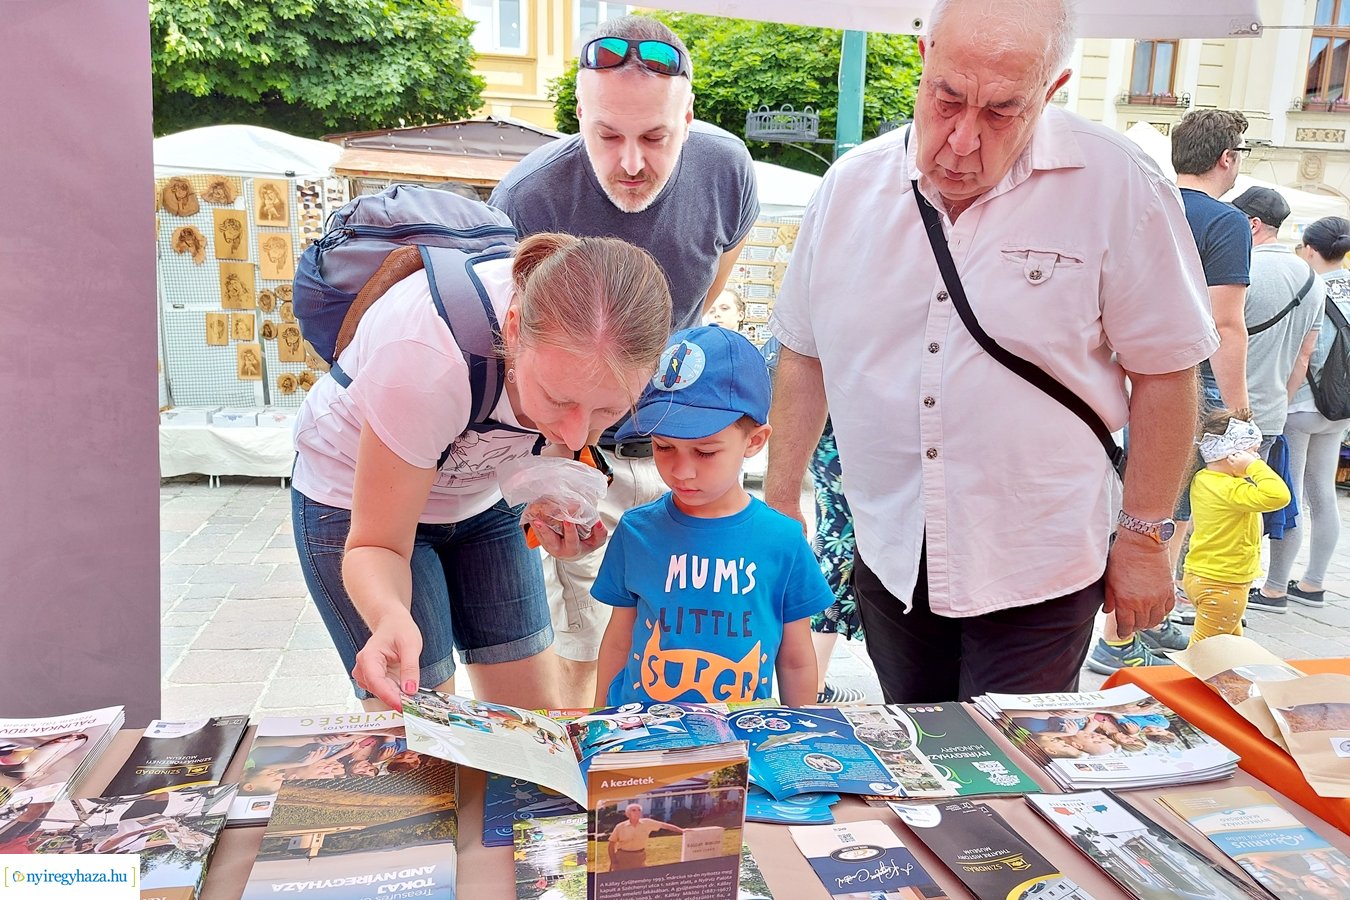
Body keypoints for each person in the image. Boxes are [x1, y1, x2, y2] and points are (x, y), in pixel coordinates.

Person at [764, 0, 1217, 703]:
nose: (962, 140)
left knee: (1016, 777)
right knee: (917, 754)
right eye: (946, 100)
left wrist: (1143, 537)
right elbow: (803, 352)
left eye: (1002, 112)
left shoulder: (1118, 185)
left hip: (1039, 561)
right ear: (924, 63)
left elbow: (1166, 371)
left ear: (1052, 90)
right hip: (890, 552)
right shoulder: (850, 187)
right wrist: (781, 498)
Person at [490, 14, 759, 707]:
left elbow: (699, 299)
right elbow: (519, 358)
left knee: (687, 645)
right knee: (584, 647)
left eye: (655, 137)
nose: (631, 163)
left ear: (689, 117)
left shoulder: (727, 170)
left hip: (678, 453)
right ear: (578, 114)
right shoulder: (527, 198)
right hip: (583, 452)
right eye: (608, 136)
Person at [291, 231, 672, 711]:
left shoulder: (571, 358)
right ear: (513, 329)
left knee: (533, 725)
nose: (577, 436)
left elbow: (555, 445)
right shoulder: (426, 357)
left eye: (607, 411)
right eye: (559, 400)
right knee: (421, 724)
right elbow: (376, 545)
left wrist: (549, 496)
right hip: (354, 496)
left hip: (477, 496)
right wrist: (388, 615)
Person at [1092, 107, 1254, 672]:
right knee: (1168, 507)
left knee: (1132, 497)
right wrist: (1235, 409)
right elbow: (1225, 322)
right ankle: (1120, 634)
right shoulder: (1226, 222)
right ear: (1226, 158)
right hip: (1189, 379)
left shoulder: (1143, 201)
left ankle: (1133, 622)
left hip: (1121, 373)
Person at [592, 326, 831, 707]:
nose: (682, 471)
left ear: (754, 441)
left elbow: (797, 659)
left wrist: (795, 734)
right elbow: (619, 639)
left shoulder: (783, 541)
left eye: (705, 452)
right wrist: (602, 721)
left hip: (738, 738)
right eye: (663, 446)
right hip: (642, 736)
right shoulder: (635, 531)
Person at [1255, 216, 1350, 612]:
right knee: (1322, 493)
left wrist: (1284, 398)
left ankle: (1275, 587)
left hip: (1301, 405)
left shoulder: (1314, 286)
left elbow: (1306, 354)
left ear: (1310, 249)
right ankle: (1313, 583)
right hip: (1340, 409)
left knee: (1287, 494)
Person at [1182, 411, 1291, 645]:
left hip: (1203, 575)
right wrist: (1254, 468)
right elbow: (1279, 495)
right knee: (1204, 650)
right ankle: (1190, 680)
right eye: (1253, 452)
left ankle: (1231, 679)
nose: (1257, 457)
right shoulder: (1231, 490)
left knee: (1231, 646)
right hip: (1224, 584)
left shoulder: (1204, 479)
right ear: (1232, 455)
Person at [607, 803, 684, 871]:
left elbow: (665, 826)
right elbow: (611, 845)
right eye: (633, 810)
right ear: (627, 814)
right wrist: (613, 861)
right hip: (622, 858)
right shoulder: (620, 827)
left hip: (639, 857)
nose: (637, 812)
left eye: (639, 810)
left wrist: (682, 830)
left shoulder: (647, 823)